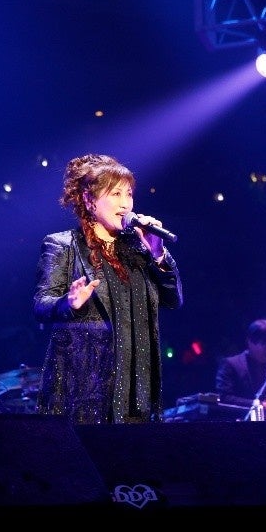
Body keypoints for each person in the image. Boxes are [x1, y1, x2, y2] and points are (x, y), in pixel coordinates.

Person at [33, 153, 183, 424]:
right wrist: (68, 303)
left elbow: (173, 300)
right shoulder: (63, 245)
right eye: (116, 194)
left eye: (129, 194)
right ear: (89, 200)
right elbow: (41, 304)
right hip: (82, 390)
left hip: (137, 393)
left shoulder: (140, 249)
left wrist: (158, 255)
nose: (126, 204)